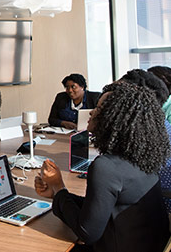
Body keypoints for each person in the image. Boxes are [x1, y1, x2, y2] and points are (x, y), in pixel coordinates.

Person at [35, 82, 170, 252]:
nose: (92, 111)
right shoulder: (142, 157)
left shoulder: (106, 167)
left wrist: (59, 187)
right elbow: (100, 208)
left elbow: (87, 233)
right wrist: (57, 195)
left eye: (98, 108)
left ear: (115, 118)